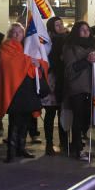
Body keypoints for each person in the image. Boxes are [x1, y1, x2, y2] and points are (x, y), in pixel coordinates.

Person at [0, 23, 46, 163]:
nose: (17, 35)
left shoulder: (27, 47)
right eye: (14, 32)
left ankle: (21, 148)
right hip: (14, 90)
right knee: (15, 121)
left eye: (20, 32)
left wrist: (37, 63)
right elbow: (8, 64)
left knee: (26, 120)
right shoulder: (6, 46)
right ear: (10, 33)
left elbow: (38, 62)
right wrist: (30, 60)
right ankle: (11, 152)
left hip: (27, 88)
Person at [62, 21, 95, 159]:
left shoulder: (94, 45)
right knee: (78, 117)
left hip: (92, 87)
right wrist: (87, 60)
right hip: (77, 87)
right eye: (82, 29)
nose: (86, 32)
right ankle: (77, 147)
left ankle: (80, 141)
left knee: (87, 117)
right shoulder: (70, 47)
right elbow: (69, 70)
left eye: (87, 29)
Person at [42, 16, 68, 155]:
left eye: (61, 24)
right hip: (52, 80)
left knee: (63, 113)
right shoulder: (47, 41)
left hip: (64, 79)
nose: (61, 26)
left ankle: (64, 142)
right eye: (57, 25)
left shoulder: (67, 39)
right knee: (51, 113)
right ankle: (49, 143)